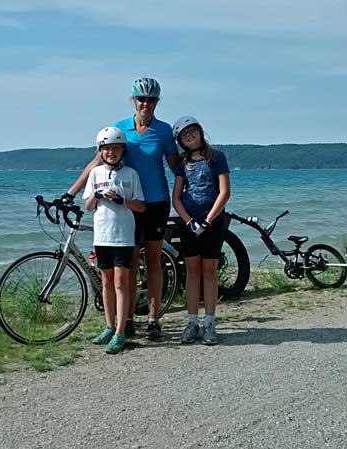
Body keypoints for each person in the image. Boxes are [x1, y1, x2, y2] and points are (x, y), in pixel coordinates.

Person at [64, 77, 180, 341]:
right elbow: (96, 163)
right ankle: (125, 321)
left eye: (151, 99)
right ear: (133, 101)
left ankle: (153, 319)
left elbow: (176, 168)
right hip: (126, 207)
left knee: (153, 260)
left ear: (157, 102)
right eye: (141, 99)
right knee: (127, 264)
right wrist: (70, 193)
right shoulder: (119, 129)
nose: (146, 104)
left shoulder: (163, 131)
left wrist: (200, 177)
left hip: (155, 202)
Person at [83, 127, 145, 354]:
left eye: (116, 148)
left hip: (124, 235)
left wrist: (122, 200)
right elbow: (88, 206)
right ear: (101, 151)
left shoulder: (131, 174)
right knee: (106, 282)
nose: (111, 152)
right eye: (107, 149)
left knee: (121, 282)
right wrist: (97, 196)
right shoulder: (95, 174)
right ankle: (109, 327)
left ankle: (121, 332)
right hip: (102, 235)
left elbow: (141, 205)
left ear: (123, 151)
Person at [171, 116, 230, 345]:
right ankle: (192, 322)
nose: (189, 136)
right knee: (192, 273)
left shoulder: (217, 157)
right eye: (184, 135)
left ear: (200, 131)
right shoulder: (182, 163)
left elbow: (224, 192)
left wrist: (207, 220)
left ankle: (210, 323)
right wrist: (189, 222)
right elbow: (176, 198)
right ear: (181, 141)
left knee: (209, 272)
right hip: (189, 225)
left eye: (191, 131)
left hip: (212, 224)